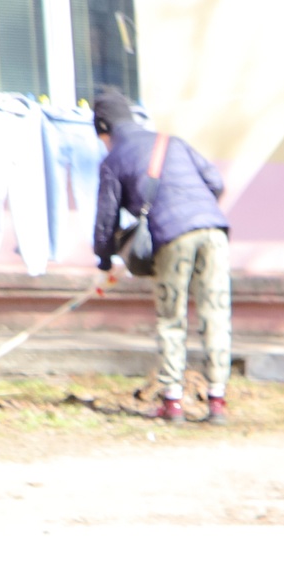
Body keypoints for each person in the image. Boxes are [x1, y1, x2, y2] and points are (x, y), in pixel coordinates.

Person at [90, 87, 230, 422]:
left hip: (172, 237)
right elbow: (216, 181)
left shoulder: (114, 159)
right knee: (216, 314)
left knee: (172, 318)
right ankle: (217, 403)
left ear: (103, 129)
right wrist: (195, 211)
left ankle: (172, 403)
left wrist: (105, 260)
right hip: (214, 230)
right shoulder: (172, 142)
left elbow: (106, 220)